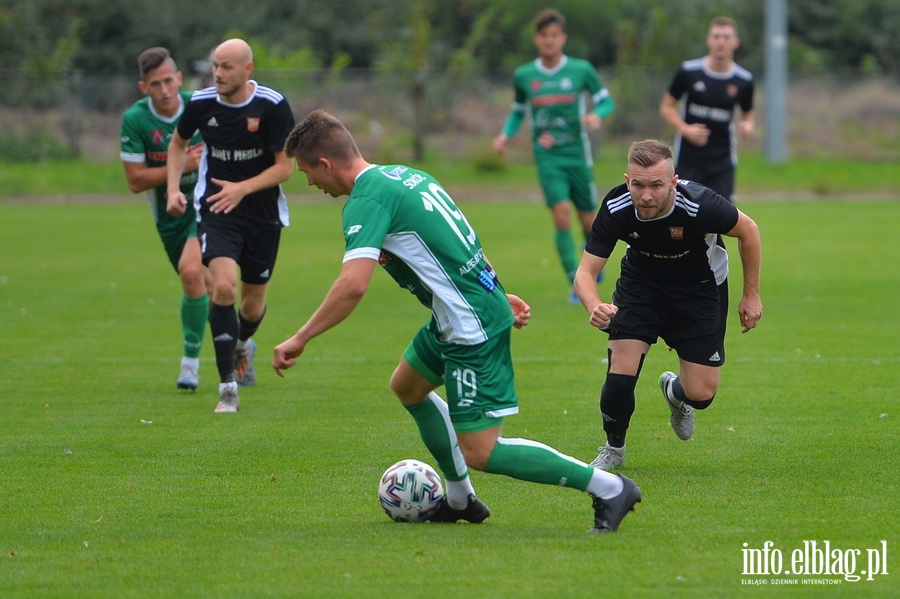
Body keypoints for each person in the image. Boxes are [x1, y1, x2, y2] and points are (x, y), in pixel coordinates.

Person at [273, 109, 641, 532]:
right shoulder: (406, 176)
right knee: (408, 386)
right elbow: (462, 240)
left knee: (481, 451)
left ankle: (608, 486)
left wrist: (301, 337)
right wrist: (498, 291)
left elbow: (352, 286)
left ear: (326, 164)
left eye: (307, 173)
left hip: (469, 326)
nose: (310, 184)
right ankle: (460, 499)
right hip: (462, 311)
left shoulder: (367, 200)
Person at [574, 139, 762, 470]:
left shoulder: (700, 205)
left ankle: (674, 392)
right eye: (638, 184)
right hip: (641, 288)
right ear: (627, 179)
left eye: (656, 185)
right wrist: (593, 304)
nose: (646, 195)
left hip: (700, 290)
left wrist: (751, 294)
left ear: (673, 182)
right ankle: (613, 448)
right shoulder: (617, 207)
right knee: (620, 372)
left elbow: (749, 231)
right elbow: (585, 273)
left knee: (701, 394)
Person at [166, 38, 295, 413]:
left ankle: (242, 343)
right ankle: (227, 389)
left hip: (263, 214)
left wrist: (243, 188)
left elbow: (284, 167)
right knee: (222, 286)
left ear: (247, 70)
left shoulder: (272, 105)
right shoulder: (201, 103)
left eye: (226, 67)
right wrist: (174, 188)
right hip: (217, 209)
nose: (217, 74)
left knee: (252, 308)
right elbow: (178, 145)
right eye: (215, 66)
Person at [493, 8, 616, 302]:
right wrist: (505, 135)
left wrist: (597, 115)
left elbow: (606, 101)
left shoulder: (581, 70)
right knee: (561, 217)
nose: (549, 41)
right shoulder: (525, 75)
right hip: (548, 158)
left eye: (555, 35)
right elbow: (518, 111)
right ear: (537, 39)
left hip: (577, 155)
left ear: (563, 38)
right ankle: (576, 282)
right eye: (544, 36)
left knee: (589, 222)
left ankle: (592, 265)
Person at [120, 47, 209, 391]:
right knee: (209, 286)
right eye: (155, 84)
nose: (165, 90)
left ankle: (190, 366)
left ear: (180, 79)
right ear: (144, 88)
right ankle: (243, 345)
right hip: (168, 216)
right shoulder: (136, 119)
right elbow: (134, 180)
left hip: (205, 205)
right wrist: (182, 165)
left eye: (169, 81)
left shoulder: (200, 106)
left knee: (191, 273)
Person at [659, 16, 755, 203]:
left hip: (722, 159)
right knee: (685, 215)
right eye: (716, 36)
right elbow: (667, 106)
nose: (721, 41)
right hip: (689, 158)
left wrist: (748, 125)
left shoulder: (744, 80)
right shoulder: (689, 72)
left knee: (721, 219)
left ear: (736, 42)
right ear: (708, 40)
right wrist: (685, 129)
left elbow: (748, 113)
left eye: (726, 37)